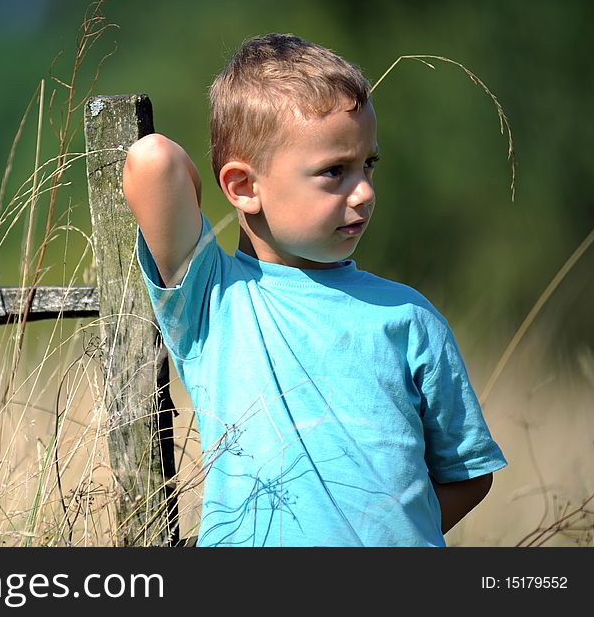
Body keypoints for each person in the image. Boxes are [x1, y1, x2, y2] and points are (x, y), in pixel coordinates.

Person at [121, 33, 507, 546]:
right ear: (242, 187)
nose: (365, 190)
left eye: (368, 164)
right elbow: (154, 160)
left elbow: (468, 473)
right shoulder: (214, 300)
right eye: (334, 172)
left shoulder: (409, 316)